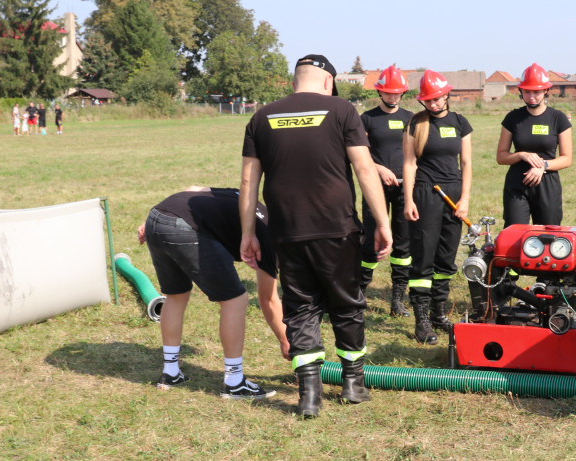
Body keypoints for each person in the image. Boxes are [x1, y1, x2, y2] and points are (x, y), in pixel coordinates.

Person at [240, 54, 393, 418]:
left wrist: (249, 233)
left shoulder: (261, 117)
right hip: (336, 227)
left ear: (296, 81)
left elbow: (248, 182)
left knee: (300, 307)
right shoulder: (341, 110)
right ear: (328, 82)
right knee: (346, 303)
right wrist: (383, 223)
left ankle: (309, 395)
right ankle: (353, 384)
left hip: (286, 231)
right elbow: (364, 168)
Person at [138, 186, 288, 398]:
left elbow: (194, 189)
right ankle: (235, 382)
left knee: (176, 295)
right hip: (185, 227)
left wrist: (157, 223)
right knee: (235, 300)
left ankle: (171, 373)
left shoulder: (246, 198)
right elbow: (268, 300)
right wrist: (286, 341)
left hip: (158, 216)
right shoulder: (271, 237)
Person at [402, 69, 473, 345]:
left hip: (454, 195)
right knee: (423, 257)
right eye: (428, 100)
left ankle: (438, 313)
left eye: (438, 98)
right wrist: (408, 199)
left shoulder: (460, 122)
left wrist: (465, 199)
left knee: (446, 258)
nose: (433, 104)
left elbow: (466, 164)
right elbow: (409, 163)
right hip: (425, 194)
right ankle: (421, 321)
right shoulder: (415, 124)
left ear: (447, 95)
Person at [359, 65, 414, 317]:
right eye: (388, 93)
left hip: (405, 188)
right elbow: (359, 153)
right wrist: (379, 169)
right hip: (375, 187)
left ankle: (397, 300)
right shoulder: (366, 119)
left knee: (403, 245)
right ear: (379, 92)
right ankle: (358, 293)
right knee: (371, 240)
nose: (393, 97)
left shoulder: (411, 118)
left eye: (397, 93)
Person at [495, 62, 572, 227]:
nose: (531, 97)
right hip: (517, 184)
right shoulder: (512, 118)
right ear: (520, 91)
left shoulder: (558, 118)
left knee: (548, 235)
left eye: (536, 92)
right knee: (515, 234)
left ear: (546, 91)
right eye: (527, 92)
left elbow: (566, 159)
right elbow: (501, 157)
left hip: (547, 184)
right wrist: (521, 154)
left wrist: (542, 165)